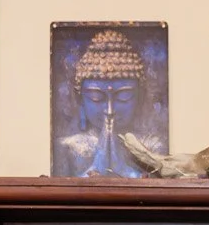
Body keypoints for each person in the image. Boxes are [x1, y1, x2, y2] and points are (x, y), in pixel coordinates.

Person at [54, 30, 154, 177]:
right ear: (79, 98)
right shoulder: (66, 147)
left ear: (140, 98)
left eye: (123, 97)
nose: (109, 110)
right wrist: (97, 165)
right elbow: (60, 193)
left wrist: (124, 169)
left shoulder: (151, 146)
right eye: (96, 98)